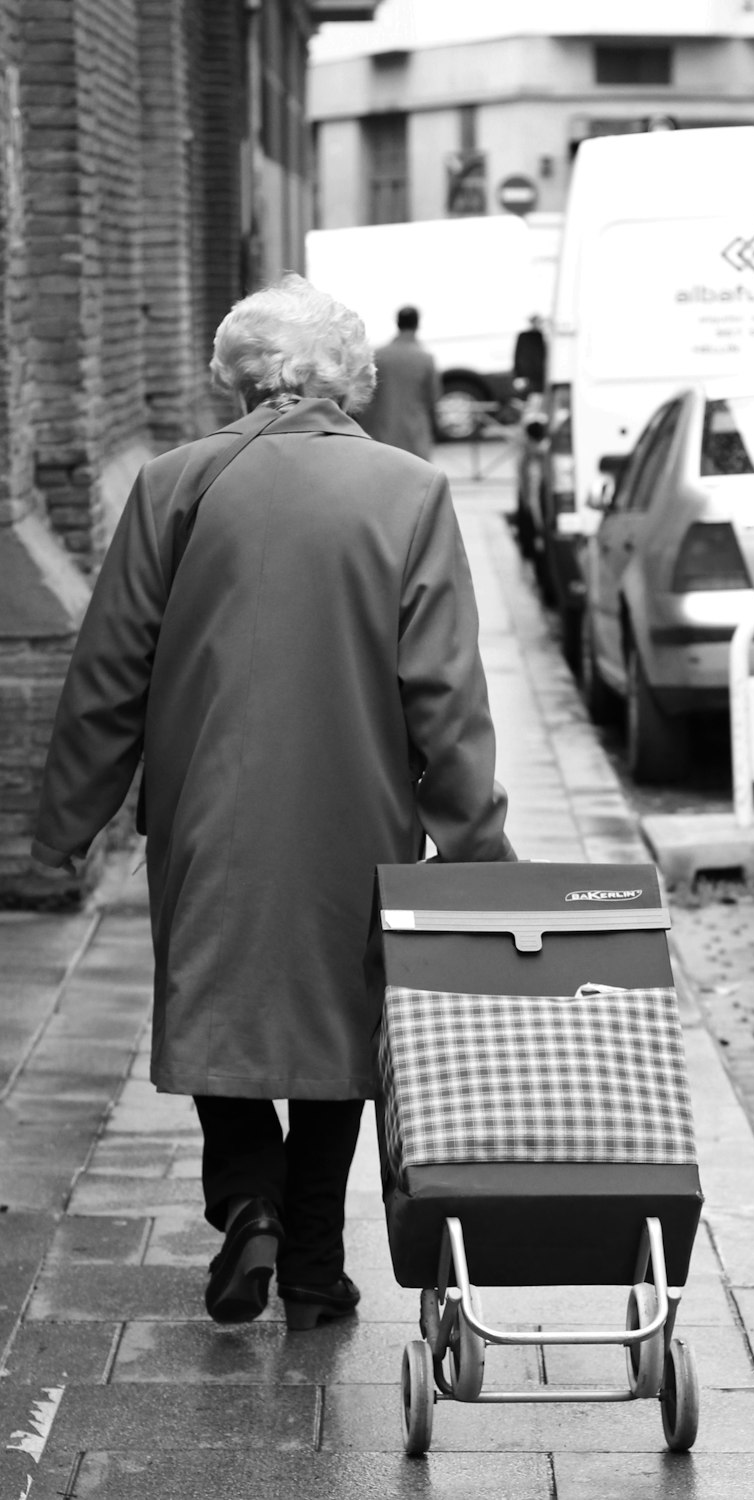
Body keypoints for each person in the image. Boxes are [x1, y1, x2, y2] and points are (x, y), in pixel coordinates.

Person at [31, 272, 515, 1331]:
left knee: (221, 1000)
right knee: (341, 1024)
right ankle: (310, 1261)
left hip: (208, 803)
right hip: (359, 808)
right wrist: (477, 841)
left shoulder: (173, 483)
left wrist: (65, 824)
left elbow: (110, 669)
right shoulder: (409, 491)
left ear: (238, 379)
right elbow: (445, 685)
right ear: (345, 376)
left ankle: (244, 1200)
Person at [361, 304, 440, 459]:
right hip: (415, 436)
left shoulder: (379, 355)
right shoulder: (425, 358)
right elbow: (433, 398)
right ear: (417, 324)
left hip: (383, 433)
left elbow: (366, 396)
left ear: (397, 323)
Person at [512, 314, 547, 397]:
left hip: (540, 376)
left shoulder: (541, 336)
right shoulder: (524, 336)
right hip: (527, 375)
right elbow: (517, 356)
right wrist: (518, 375)